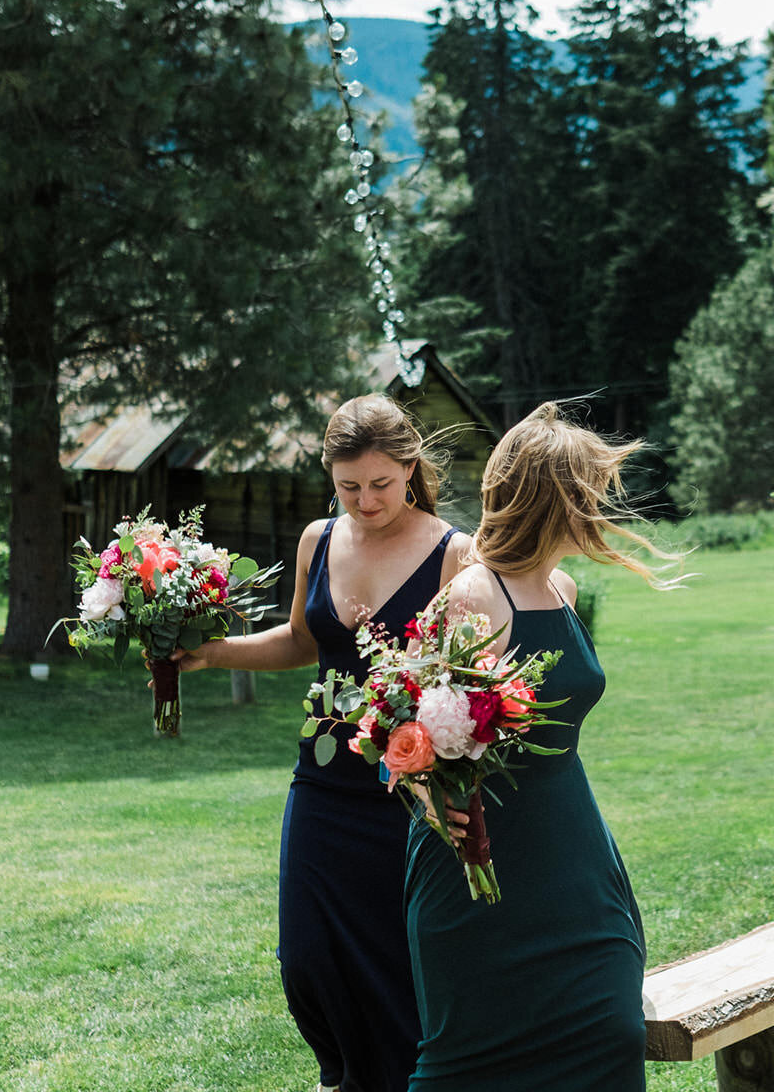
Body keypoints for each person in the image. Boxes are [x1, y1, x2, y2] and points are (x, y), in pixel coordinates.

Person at [175, 394, 470, 1092]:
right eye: (349, 487)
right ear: (329, 477)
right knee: (305, 955)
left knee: (397, 963)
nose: (365, 502)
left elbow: (461, 684)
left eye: (381, 485)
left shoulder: (456, 553)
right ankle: (342, 1072)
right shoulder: (318, 538)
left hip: (409, 790)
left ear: (411, 468)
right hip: (323, 779)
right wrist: (215, 654)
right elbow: (303, 642)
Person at [402, 402, 678, 1091]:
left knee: (612, 1033)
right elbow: (407, 738)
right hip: (485, 864)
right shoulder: (474, 595)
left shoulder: (562, 586)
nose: (601, 503)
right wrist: (440, 812)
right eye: (587, 490)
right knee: (479, 1064)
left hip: (572, 856)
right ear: (553, 501)